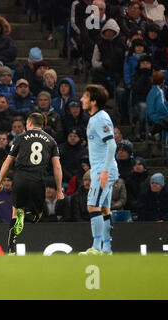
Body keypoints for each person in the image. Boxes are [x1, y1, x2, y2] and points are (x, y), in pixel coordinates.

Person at [0, 112, 64, 254]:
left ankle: (11, 250)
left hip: (20, 179)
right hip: (38, 180)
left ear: (29, 123)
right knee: (38, 214)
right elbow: (57, 167)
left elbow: (7, 163)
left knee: (15, 212)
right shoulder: (51, 141)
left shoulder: (20, 138)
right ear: (42, 125)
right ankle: (28, 216)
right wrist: (59, 190)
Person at [79, 84, 118, 256]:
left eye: (85, 97)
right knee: (104, 209)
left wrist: (104, 171)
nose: (82, 99)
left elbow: (112, 145)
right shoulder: (96, 118)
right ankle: (107, 249)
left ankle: (96, 248)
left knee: (92, 207)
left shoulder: (100, 118)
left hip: (103, 169)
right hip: (102, 168)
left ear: (93, 101)